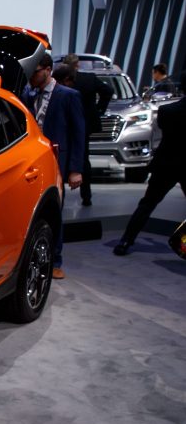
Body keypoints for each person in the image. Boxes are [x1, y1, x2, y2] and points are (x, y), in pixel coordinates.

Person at [23, 55, 86, 279]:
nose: (31, 76)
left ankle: (55, 261)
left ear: (48, 70)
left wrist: (76, 169)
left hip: (57, 163)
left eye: (35, 72)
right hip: (32, 163)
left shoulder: (69, 96)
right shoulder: (27, 94)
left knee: (54, 213)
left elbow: (79, 135)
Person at [113, 71, 186, 256]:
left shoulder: (167, 111)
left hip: (166, 164)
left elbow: (164, 131)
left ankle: (125, 241)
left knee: (147, 204)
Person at [62, 54, 113, 206]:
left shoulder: (60, 79)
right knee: (84, 158)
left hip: (65, 125)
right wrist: (99, 110)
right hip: (85, 124)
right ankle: (86, 196)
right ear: (77, 65)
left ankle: (60, 195)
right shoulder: (89, 78)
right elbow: (108, 90)